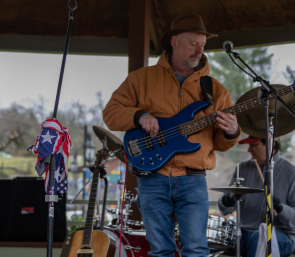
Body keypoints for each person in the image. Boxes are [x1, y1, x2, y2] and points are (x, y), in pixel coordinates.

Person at [103, 14, 241, 257]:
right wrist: (139, 116)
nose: (199, 50)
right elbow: (111, 113)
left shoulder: (214, 89)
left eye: (202, 44)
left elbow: (219, 144)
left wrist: (232, 132)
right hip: (152, 176)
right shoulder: (141, 78)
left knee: (197, 250)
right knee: (161, 251)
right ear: (174, 42)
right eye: (193, 43)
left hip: (193, 179)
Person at [218, 136, 295, 257]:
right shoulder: (242, 168)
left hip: (281, 235)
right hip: (243, 232)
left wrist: (280, 208)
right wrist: (227, 200)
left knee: (259, 238)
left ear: (271, 145)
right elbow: (225, 210)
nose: (249, 150)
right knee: (209, 238)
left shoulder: (291, 173)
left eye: (253, 145)